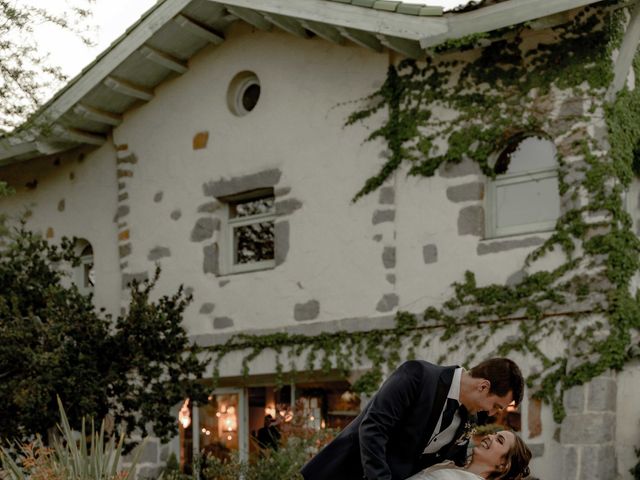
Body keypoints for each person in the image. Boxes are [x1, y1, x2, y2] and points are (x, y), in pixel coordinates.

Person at [300, 358, 524, 480]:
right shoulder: (418, 375)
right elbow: (373, 428)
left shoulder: (468, 420)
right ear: (483, 386)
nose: (494, 413)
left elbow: (459, 464)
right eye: (496, 405)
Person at [407, 430, 531, 480]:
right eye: (494, 434)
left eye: (499, 440)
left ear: (503, 465)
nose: (490, 436)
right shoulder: (451, 464)